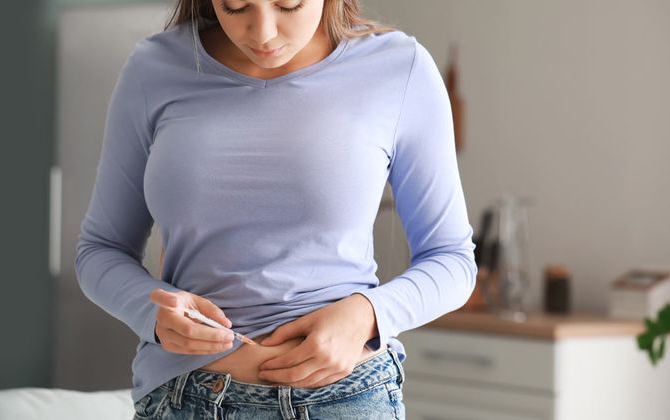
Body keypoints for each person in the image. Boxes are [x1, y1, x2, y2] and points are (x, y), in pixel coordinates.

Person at [74, 0, 478, 418]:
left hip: (344, 401)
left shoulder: (399, 68)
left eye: (289, 4)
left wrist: (369, 315)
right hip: (184, 401)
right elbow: (100, 249)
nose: (262, 32)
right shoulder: (154, 68)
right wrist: (150, 311)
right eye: (236, 7)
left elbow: (453, 260)